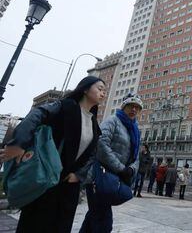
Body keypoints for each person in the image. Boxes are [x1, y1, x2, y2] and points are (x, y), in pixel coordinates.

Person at [0, 76, 105, 233]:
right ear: (85, 89)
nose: (103, 93)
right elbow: (37, 114)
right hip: (46, 178)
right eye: (99, 88)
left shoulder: (94, 124)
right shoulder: (64, 106)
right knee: (34, 225)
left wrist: (79, 175)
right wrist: (19, 143)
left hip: (69, 187)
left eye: (104, 91)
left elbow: (93, 154)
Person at [80, 93, 142, 233]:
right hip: (99, 176)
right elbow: (101, 144)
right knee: (103, 220)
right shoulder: (113, 120)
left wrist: (131, 170)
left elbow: (136, 156)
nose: (134, 109)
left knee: (95, 215)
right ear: (124, 106)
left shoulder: (135, 130)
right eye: (131, 106)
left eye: (137, 108)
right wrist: (121, 168)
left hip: (113, 178)